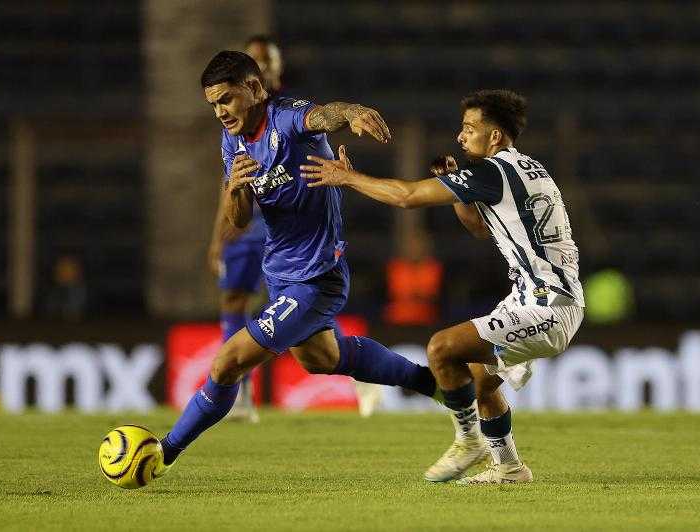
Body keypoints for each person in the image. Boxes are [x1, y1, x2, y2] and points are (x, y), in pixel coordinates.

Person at [154, 51, 444, 478]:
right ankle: (439, 385)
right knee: (322, 359)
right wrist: (236, 188)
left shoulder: (286, 119)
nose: (220, 112)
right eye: (213, 104)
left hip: (316, 276)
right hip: (281, 274)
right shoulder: (230, 142)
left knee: (226, 363)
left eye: (227, 100)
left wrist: (354, 112)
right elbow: (238, 220)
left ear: (254, 89)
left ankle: (162, 452)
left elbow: (326, 115)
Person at [301, 89, 585, 484]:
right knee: (482, 381)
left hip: (549, 306)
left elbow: (407, 197)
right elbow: (479, 229)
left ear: (496, 137)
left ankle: (469, 440)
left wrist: (346, 177)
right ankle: (509, 468)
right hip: (531, 298)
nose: (461, 136)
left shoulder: (493, 172)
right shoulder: (526, 169)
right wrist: (456, 188)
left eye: (470, 129)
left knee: (442, 348)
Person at [207, 36, 285, 423]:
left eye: (265, 61)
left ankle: (354, 364)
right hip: (244, 230)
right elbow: (229, 182)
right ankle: (240, 392)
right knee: (233, 301)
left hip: (282, 232)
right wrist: (216, 238)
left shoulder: (290, 115)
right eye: (253, 61)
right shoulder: (233, 120)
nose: (261, 67)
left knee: (296, 307)